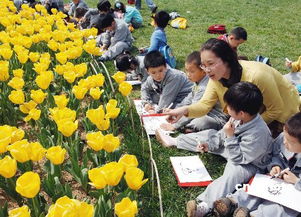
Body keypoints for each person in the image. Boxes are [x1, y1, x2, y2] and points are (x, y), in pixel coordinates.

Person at [165, 38, 300, 138]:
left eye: (210, 64)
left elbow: (276, 109)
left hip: (283, 116)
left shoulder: (257, 76)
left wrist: (245, 126)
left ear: (227, 59)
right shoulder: (216, 77)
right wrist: (184, 110)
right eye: (203, 65)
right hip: (252, 114)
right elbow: (204, 105)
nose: (206, 70)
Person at [186, 81, 273, 217]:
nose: (225, 109)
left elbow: (238, 159)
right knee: (206, 136)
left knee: (232, 175)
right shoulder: (239, 118)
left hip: (250, 164)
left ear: (242, 113)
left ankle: (204, 206)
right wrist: (209, 144)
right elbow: (221, 134)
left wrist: (230, 136)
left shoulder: (259, 134)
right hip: (233, 148)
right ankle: (175, 140)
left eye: (229, 107)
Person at [213, 112, 301, 217]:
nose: (285, 142)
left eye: (290, 142)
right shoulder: (284, 138)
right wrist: (275, 166)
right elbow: (276, 153)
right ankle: (233, 202)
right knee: (259, 188)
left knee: (281, 207)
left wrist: (296, 181)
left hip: (296, 190)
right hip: (279, 179)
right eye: (285, 137)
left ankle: (257, 215)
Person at [157, 51, 228, 135]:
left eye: (192, 72)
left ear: (203, 71)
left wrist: (175, 126)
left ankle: (189, 128)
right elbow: (188, 99)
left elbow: (195, 109)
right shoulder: (197, 82)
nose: (188, 74)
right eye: (186, 71)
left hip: (216, 117)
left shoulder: (204, 87)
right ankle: (188, 128)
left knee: (200, 122)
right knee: (188, 118)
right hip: (204, 112)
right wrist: (176, 111)